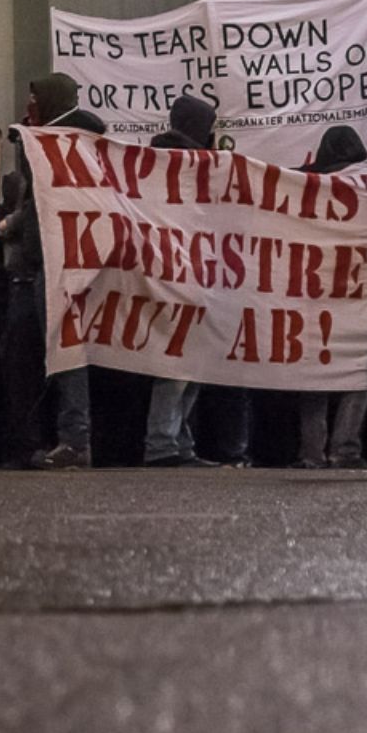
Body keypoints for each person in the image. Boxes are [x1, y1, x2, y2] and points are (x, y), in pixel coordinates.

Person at [0, 73, 106, 469]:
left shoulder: (59, 145)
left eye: (33, 99)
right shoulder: (53, 141)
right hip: (43, 264)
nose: (28, 107)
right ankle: (42, 442)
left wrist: (11, 225)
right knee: (33, 357)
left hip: (60, 264)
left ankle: (74, 439)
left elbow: (46, 203)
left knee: (65, 354)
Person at [143, 96, 219, 467]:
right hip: (182, 272)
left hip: (174, 271)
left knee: (189, 363)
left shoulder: (156, 161)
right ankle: (161, 442)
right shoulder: (185, 164)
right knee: (178, 363)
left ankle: (177, 440)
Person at [295, 126, 367, 468]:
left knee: (315, 375)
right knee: (359, 369)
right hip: (361, 294)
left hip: (317, 293)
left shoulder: (309, 186)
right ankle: (345, 449)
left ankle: (313, 453)